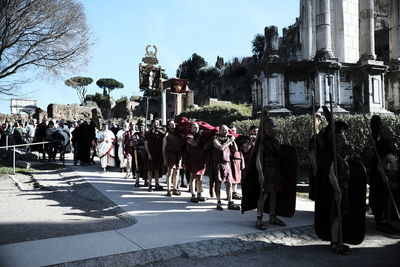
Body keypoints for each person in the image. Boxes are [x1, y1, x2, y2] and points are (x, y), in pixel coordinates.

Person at [370, 115, 400, 235]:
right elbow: (379, 164)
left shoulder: (390, 145)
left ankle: (390, 220)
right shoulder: (380, 146)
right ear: (386, 134)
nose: (393, 135)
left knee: (391, 200)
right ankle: (382, 221)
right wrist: (384, 177)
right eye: (391, 134)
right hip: (382, 178)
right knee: (383, 200)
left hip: (392, 176)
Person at [254, 118, 286, 229]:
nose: (274, 129)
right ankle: (259, 219)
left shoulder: (275, 140)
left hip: (276, 171)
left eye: (274, 126)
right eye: (271, 127)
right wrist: (260, 175)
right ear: (266, 128)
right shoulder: (262, 142)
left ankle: (272, 216)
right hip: (266, 171)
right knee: (264, 195)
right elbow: (257, 159)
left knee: (274, 194)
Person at [212, 125, 240, 211]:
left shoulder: (228, 138)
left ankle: (230, 202)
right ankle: (218, 202)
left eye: (227, 130)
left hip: (226, 163)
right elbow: (221, 148)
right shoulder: (215, 138)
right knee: (219, 183)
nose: (225, 132)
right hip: (218, 164)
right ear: (219, 130)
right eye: (224, 130)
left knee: (229, 183)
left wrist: (233, 141)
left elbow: (235, 149)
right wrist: (229, 141)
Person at [186, 123, 207, 203]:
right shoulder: (188, 136)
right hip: (193, 158)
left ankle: (199, 194)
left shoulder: (200, 136)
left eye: (197, 127)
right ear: (191, 128)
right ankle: (193, 194)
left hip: (201, 158)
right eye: (194, 127)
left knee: (200, 177)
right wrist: (200, 136)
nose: (196, 129)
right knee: (193, 177)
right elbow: (194, 144)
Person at [163, 120, 183, 196]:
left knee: (177, 172)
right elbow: (164, 149)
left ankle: (175, 188)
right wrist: (165, 158)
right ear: (168, 126)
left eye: (174, 124)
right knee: (170, 172)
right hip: (170, 154)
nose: (173, 125)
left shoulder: (179, 135)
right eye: (171, 124)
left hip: (178, 155)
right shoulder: (166, 136)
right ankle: (169, 190)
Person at [145, 119, 164, 191]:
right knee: (150, 170)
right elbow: (146, 144)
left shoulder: (161, 133)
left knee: (157, 169)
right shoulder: (148, 133)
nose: (156, 124)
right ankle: (150, 185)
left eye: (157, 123)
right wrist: (149, 153)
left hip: (158, 154)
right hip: (151, 154)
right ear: (152, 124)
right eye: (155, 123)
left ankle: (157, 184)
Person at [230, 126, 244, 200]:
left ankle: (234, 192)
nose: (234, 132)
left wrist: (242, 162)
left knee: (237, 177)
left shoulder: (239, 138)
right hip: (231, 159)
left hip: (238, 159)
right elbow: (234, 149)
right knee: (232, 178)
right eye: (232, 130)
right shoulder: (229, 139)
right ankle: (231, 193)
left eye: (235, 131)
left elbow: (241, 151)